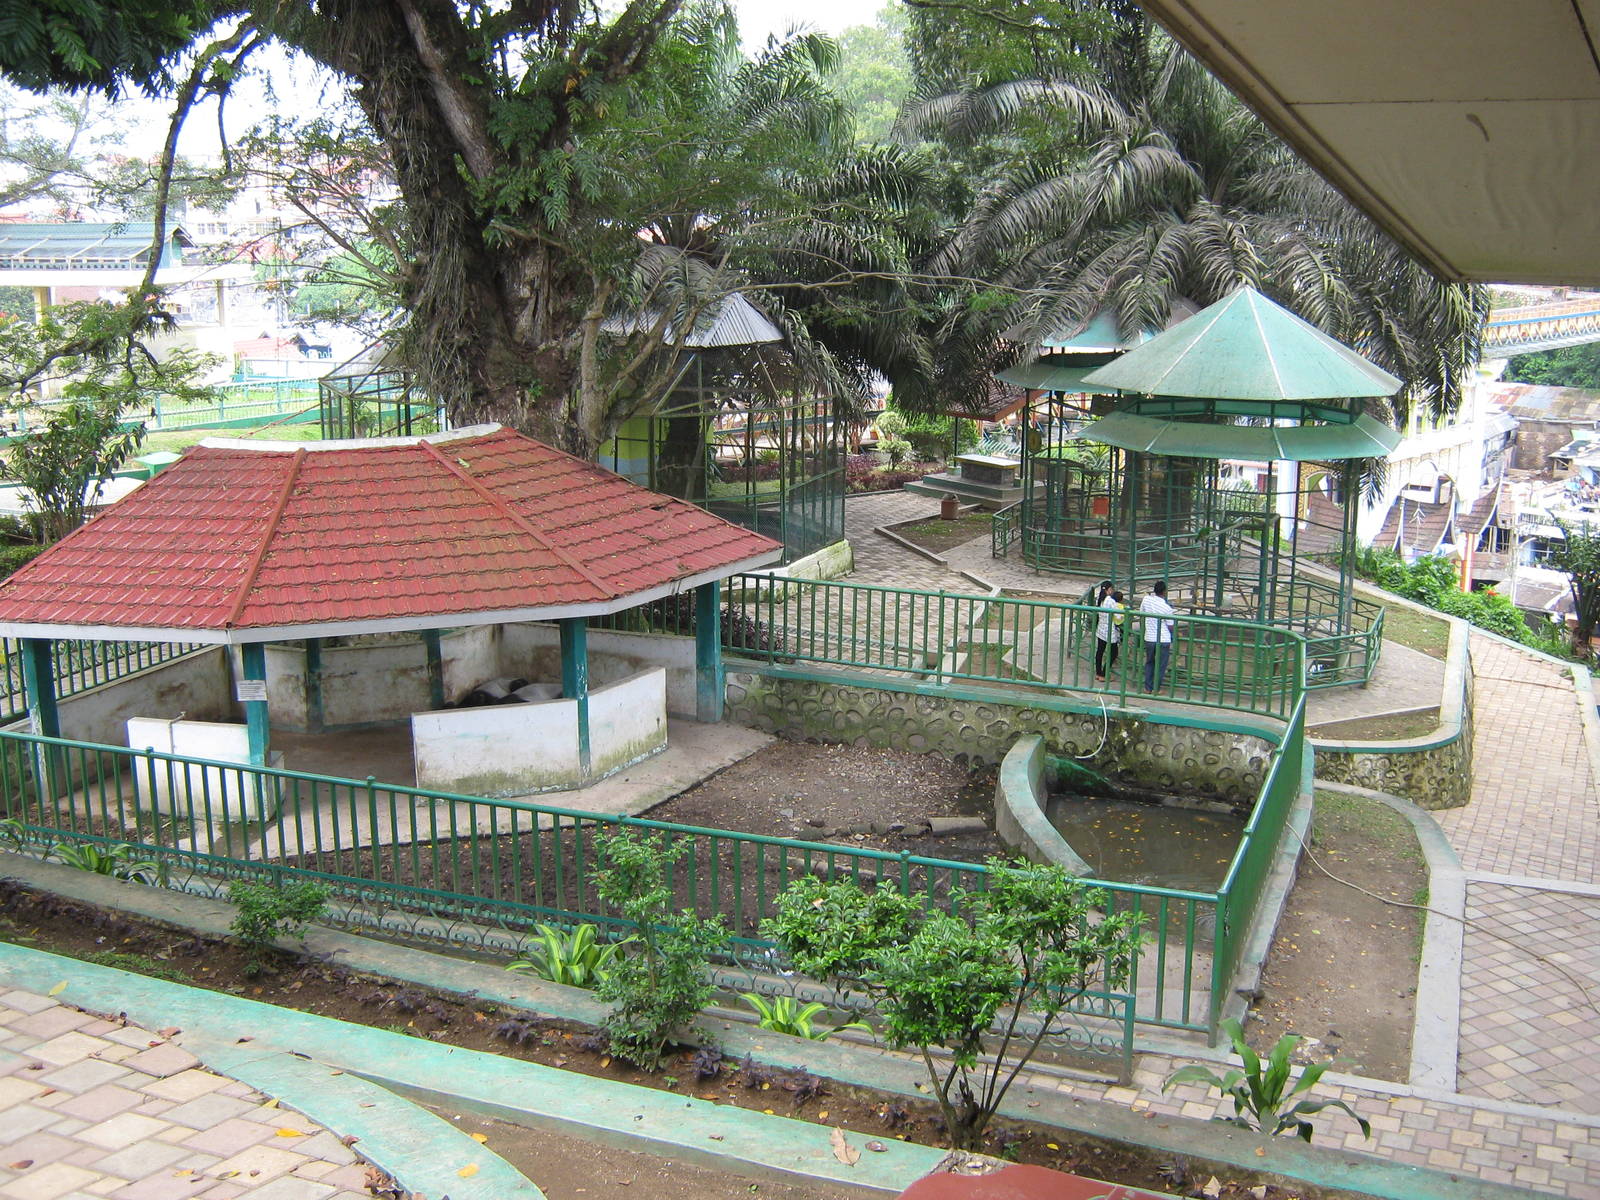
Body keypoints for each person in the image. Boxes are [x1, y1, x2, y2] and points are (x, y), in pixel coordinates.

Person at [1140, 581, 1177, 692]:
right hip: (1163, 639)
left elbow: (1141, 612)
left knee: (1149, 662)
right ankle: (1156, 688)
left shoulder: (1146, 600)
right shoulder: (1167, 608)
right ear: (1164, 592)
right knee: (1161, 665)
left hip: (1149, 637)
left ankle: (1148, 687)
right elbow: (1171, 626)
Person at [1095, 588, 1124, 679]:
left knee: (1100, 651)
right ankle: (1104, 673)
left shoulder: (1099, 599)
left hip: (1101, 628)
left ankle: (1098, 673)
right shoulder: (1111, 601)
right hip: (1109, 631)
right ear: (1109, 589)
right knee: (1114, 653)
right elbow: (1118, 616)